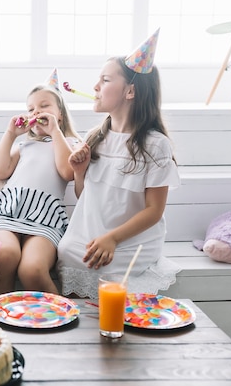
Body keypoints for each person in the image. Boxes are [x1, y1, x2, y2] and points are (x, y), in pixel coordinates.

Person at [57, 29, 182, 299]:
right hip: (93, 233)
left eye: (104, 80)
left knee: (105, 266)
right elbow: (86, 197)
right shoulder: (96, 138)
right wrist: (80, 173)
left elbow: (154, 211)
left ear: (130, 91)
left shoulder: (155, 145)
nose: (95, 88)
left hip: (130, 240)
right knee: (67, 251)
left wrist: (113, 238)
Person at [0, 69, 80, 295]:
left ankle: (58, 320)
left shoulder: (70, 143)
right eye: (31, 109)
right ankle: (2, 320)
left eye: (44, 106)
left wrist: (55, 132)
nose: (36, 112)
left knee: (32, 270)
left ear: (60, 114)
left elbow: (67, 171)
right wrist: (10, 134)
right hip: (8, 212)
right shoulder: (24, 145)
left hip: (45, 219)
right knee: (5, 255)